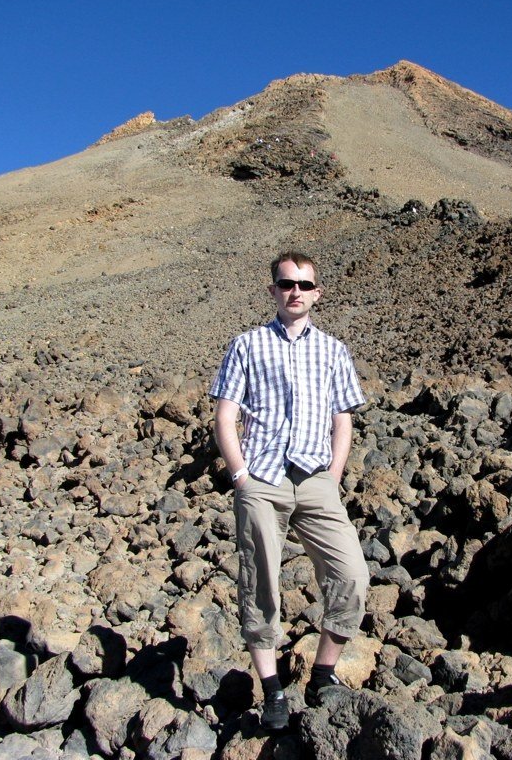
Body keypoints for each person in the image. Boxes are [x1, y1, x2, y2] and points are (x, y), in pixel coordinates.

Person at [209, 250, 369, 731]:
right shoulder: (247, 345)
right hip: (263, 477)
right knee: (261, 581)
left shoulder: (333, 350)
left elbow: (343, 417)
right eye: (285, 283)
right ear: (273, 291)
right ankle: (272, 688)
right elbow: (225, 415)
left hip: (316, 478)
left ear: (317, 292)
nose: (294, 291)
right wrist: (240, 475)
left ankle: (322, 673)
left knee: (352, 575)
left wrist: (334, 475)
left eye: (303, 284)